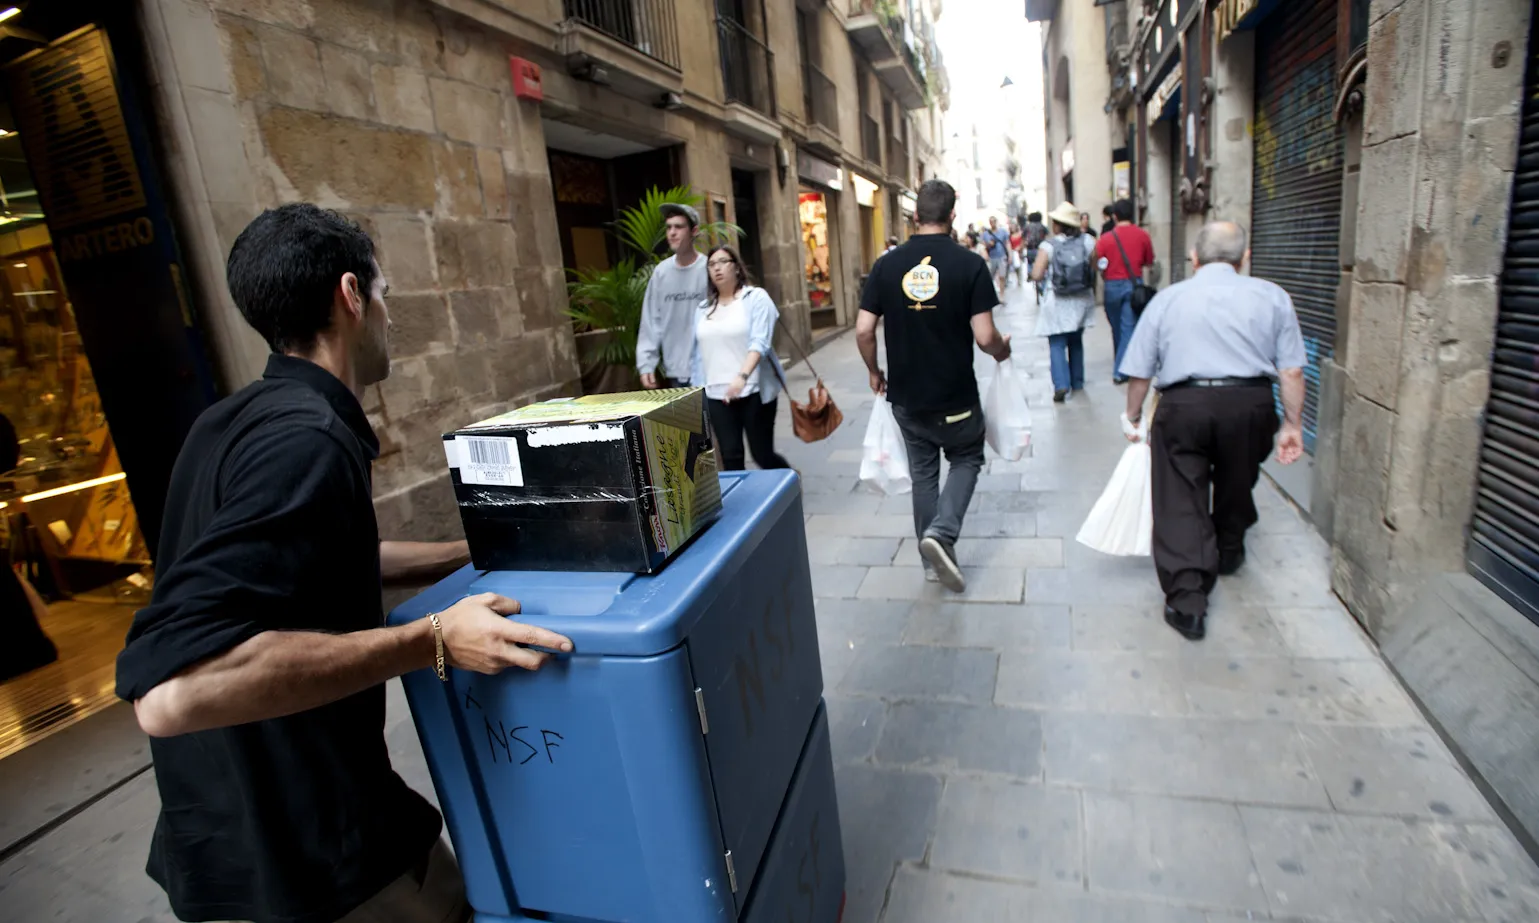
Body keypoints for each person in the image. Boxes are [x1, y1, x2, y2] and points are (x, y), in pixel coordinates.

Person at [115, 204, 575, 923]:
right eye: (384, 292)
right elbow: (174, 689)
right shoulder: (307, 439)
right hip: (311, 854)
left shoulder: (231, 419)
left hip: (220, 844)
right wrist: (432, 640)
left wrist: (478, 551)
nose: (389, 314)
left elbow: (305, 558)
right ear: (352, 295)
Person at [1119, 220, 1307, 642]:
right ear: (1245, 258)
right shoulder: (1272, 297)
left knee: (1181, 495)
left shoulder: (1168, 299)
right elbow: (1291, 369)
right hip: (1250, 403)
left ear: (1194, 258)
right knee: (1238, 477)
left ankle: (1188, 602)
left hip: (1184, 405)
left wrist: (1132, 416)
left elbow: (1139, 371)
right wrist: (1292, 424)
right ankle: (1228, 546)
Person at [856, 180, 1011, 593]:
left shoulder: (886, 265)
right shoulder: (970, 265)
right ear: (952, 216)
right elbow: (985, 337)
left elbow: (863, 329)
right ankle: (941, 536)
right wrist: (1002, 352)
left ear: (914, 216)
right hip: (955, 395)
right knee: (966, 458)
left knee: (924, 474)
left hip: (906, 396)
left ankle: (930, 563)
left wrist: (874, 371)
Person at [691, 245, 792, 472]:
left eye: (723, 262)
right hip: (717, 394)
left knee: (762, 454)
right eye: (712, 264)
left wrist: (742, 377)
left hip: (753, 390)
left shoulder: (755, 298)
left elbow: (760, 343)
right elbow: (697, 354)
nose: (717, 268)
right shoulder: (703, 308)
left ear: (736, 267)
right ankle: (743, 504)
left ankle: (789, 482)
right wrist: (695, 391)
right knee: (730, 455)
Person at [1030, 202, 1098, 403]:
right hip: (1081, 298)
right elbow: (1095, 266)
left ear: (1058, 224)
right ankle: (1077, 382)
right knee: (1076, 341)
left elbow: (1037, 274)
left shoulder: (1048, 246)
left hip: (1057, 300)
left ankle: (1061, 385)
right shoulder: (1088, 241)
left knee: (1057, 344)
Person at [638, 202, 709, 389]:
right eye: (669, 227)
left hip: (711, 368)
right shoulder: (661, 273)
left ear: (694, 231)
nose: (672, 233)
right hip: (676, 372)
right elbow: (651, 320)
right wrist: (646, 363)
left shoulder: (709, 269)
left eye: (679, 227)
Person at [1095, 198, 1155, 384]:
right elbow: (1149, 261)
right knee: (1128, 326)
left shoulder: (1105, 239)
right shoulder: (1143, 235)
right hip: (1132, 283)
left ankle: (1120, 368)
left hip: (1111, 286)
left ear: (1114, 216)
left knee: (1117, 327)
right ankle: (1122, 367)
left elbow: (1097, 263)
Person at [1022, 211, 1048, 301]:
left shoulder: (1027, 226)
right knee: (1043, 269)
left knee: (1029, 263)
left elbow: (1023, 237)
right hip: (1040, 249)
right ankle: (1043, 286)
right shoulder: (1042, 226)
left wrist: (1022, 248)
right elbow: (1047, 235)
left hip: (1030, 249)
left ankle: (1030, 274)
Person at [981, 215, 1010, 296]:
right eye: (991, 221)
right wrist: (988, 245)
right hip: (991, 257)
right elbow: (982, 244)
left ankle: (1002, 294)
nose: (992, 223)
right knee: (990, 277)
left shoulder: (1003, 232)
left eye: (994, 221)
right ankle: (991, 294)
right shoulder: (986, 234)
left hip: (1001, 256)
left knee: (1002, 276)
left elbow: (1007, 243)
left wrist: (1009, 255)